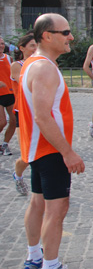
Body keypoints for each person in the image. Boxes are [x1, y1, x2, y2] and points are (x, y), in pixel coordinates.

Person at [18, 13, 85, 269]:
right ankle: (51, 264)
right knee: (56, 210)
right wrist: (67, 152)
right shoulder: (44, 67)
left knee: (37, 202)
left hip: (38, 148)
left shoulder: (34, 62)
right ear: (47, 36)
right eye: (65, 32)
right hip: (50, 150)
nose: (71, 37)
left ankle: (34, 256)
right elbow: (43, 117)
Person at [10, 33, 37, 196]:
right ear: (22, 48)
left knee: (42, 151)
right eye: (32, 45)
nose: (35, 49)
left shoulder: (40, 63)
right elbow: (25, 83)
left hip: (40, 111)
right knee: (27, 153)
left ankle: (40, 188)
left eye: (36, 45)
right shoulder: (17, 65)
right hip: (23, 111)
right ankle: (18, 174)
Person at [0, 36, 16, 156]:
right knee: (2, 122)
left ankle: (5, 144)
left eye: (2, 44)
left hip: (10, 93)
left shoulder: (9, 58)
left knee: (14, 120)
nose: (1, 46)